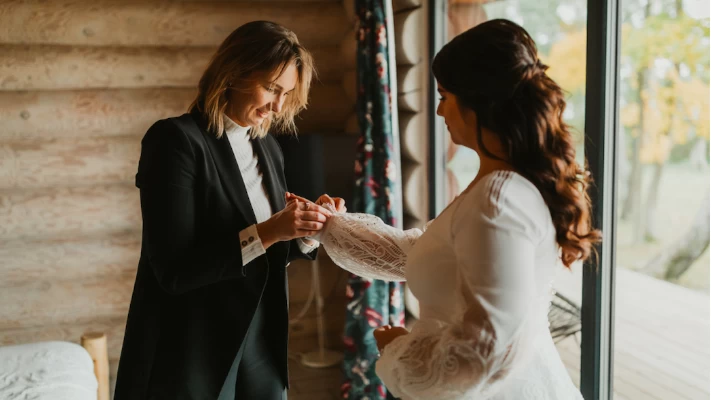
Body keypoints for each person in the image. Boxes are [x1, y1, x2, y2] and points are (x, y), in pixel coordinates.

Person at [304, 19, 603, 400]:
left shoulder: (498, 200)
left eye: (445, 96)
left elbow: (484, 352)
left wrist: (398, 348)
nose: (441, 111)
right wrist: (330, 226)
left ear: (478, 102)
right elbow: (419, 253)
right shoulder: (499, 186)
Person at [114, 21, 334, 400]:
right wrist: (270, 230)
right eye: (271, 88)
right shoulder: (174, 141)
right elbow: (174, 271)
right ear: (233, 72)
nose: (277, 107)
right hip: (191, 347)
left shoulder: (268, 149)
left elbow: (263, 255)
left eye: (286, 94)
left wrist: (308, 231)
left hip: (262, 339)